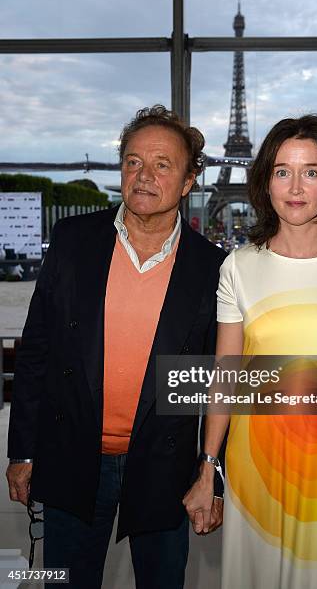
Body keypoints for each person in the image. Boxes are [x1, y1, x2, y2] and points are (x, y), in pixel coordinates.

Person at [6, 105, 226, 589]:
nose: (143, 176)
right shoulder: (73, 240)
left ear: (188, 181)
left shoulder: (214, 267)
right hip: (72, 454)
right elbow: (37, 349)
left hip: (164, 464)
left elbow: (217, 378)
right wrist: (22, 449)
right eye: (132, 162)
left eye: (162, 165)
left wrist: (213, 473)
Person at [183, 114, 317, 588]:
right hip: (257, 469)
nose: (295, 186)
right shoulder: (238, 267)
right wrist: (208, 468)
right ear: (265, 182)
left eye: (311, 171)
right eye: (282, 171)